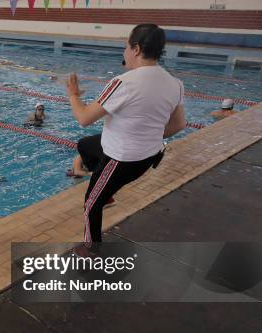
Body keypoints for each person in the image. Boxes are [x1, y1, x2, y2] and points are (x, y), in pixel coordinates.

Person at [65, 23, 186, 247]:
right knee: (85, 146)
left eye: (125, 47)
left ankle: (91, 250)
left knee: (91, 204)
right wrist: (146, 134)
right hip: (148, 156)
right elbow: (179, 124)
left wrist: (73, 94)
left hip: (121, 160)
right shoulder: (175, 84)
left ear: (136, 49)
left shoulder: (122, 83)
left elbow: (84, 118)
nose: (124, 53)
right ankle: (107, 193)